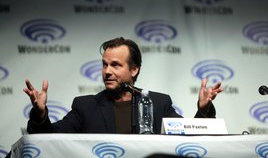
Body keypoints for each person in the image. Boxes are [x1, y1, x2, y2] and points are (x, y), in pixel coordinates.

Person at [24, 37, 223, 134]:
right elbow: (49, 138)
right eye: (104, 65)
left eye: (115, 65)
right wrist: (40, 115)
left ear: (134, 70)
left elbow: (188, 137)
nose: (107, 71)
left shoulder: (158, 102)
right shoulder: (85, 106)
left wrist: (204, 110)